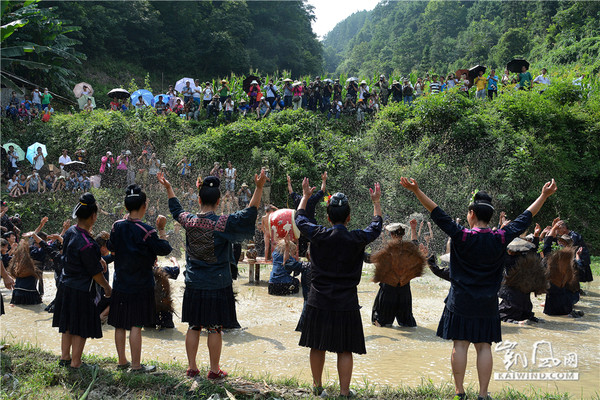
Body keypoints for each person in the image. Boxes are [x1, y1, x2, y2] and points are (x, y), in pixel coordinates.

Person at [400, 176, 557, 400]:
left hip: (461, 301)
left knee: (460, 345)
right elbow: (525, 218)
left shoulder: (461, 235)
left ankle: (459, 392)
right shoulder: (500, 237)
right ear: (489, 216)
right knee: (484, 347)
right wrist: (543, 195)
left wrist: (416, 190)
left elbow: (436, 212)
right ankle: (483, 395)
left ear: (471, 214)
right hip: (487, 302)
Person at [157, 168, 266, 379]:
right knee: (215, 328)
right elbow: (250, 211)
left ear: (199, 200)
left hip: (195, 282)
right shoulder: (222, 223)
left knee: (194, 326)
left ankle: (191, 368)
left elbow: (175, 209)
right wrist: (259, 187)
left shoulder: (189, 221)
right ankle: (214, 370)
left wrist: (169, 188)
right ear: (218, 202)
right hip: (217, 284)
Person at [295, 179, 382, 398]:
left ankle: (317, 389)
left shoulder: (319, 234)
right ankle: (344, 393)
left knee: (317, 345)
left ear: (328, 217)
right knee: (345, 348)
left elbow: (300, 218)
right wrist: (376, 202)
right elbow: (376, 225)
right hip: (346, 301)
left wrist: (305, 197)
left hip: (318, 299)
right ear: (349, 217)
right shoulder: (357, 238)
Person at [107, 184, 172, 372]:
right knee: (136, 324)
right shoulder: (147, 230)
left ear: (126, 207)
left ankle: (121, 362)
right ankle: (136, 366)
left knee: (120, 324)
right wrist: (161, 229)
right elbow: (165, 249)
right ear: (144, 206)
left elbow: (111, 245)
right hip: (140, 285)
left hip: (120, 283)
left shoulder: (116, 226)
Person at [52, 193, 112, 368]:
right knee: (81, 327)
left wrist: (97, 258)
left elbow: (72, 252)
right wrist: (107, 288)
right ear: (93, 216)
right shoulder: (89, 244)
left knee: (68, 324)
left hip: (65, 285)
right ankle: (76, 362)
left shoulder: (71, 232)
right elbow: (95, 274)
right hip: (82, 289)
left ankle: (65, 358)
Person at [371, 221, 418, 328]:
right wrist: (414, 229)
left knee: (381, 322)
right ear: (403, 234)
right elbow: (415, 242)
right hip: (404, 291)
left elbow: (371, 260)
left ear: (391, 234)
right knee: (407, 325)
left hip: (388, 291)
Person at [288, 172, 327, 256]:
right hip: (311, 224)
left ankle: (300, 256)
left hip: (299, 224)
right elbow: (322, 191)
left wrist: (289, 182)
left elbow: (291, 192)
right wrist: (324, 180)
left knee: (300, 242)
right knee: (312, 242)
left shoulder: (298, 198)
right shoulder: (312, 199)